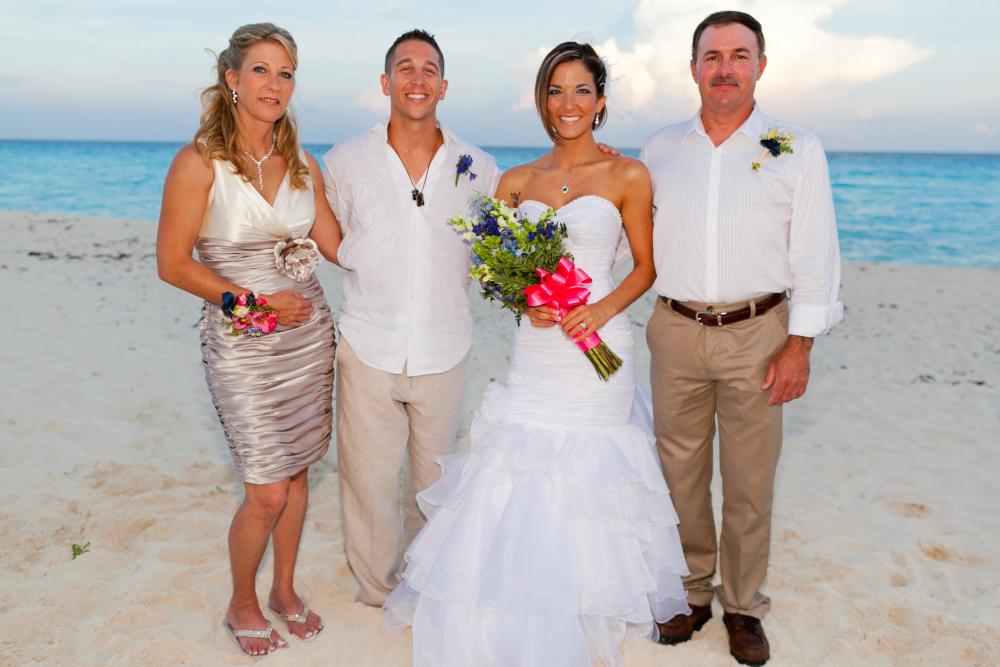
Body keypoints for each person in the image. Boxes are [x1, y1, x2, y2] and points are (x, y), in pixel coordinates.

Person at [383, 41, 690, 666]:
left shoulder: (628, 176)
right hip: (540, 349)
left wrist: (601, 310)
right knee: (519, 466)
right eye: (556, 90)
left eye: (582, 90)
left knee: (590, 472)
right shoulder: (517, 182)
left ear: (601, 101)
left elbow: (647, 267)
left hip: (600, 347)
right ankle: (513, 610)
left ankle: (582, 612)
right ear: (541, 102)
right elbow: (498, 274)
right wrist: (529, 303)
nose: (569, 103)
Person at [642, 11, 843, 666]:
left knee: (750, 480)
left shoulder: (795, 146)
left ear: (761, 64)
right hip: (675, 328)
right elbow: (630, 236)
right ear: (692, 66)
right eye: (712, 56)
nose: (724, 68)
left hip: (759, 332)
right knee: (680, 472)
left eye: (738, 55)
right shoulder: (661, 148)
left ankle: (744, 604)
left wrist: (801, 343)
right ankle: (694, 590)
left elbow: (815, 251)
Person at [156, 23, 342, 657]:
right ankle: (243, 600)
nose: (274, 84)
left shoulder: (303, 164)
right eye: (260, 70)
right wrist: (255, 302)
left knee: (298, 470)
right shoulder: (197, 162)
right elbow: (174, 264)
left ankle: (284, 591)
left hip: (309, 337)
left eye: (285, 73)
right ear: (232, 79)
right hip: (241, 340)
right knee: (265, 489)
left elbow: (340, 245)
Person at [321, 29, 501, 607]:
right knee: (369, 481)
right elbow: (332, 231)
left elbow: (496, 245)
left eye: (428, 70)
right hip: (368, 341)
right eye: (404, 68)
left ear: (443, 86)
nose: (416, 79)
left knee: (434, 482)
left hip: (445, 345)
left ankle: (426, 584)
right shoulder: (346, 160)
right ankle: (377, 590)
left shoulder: (481, 167)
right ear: (385, 83)